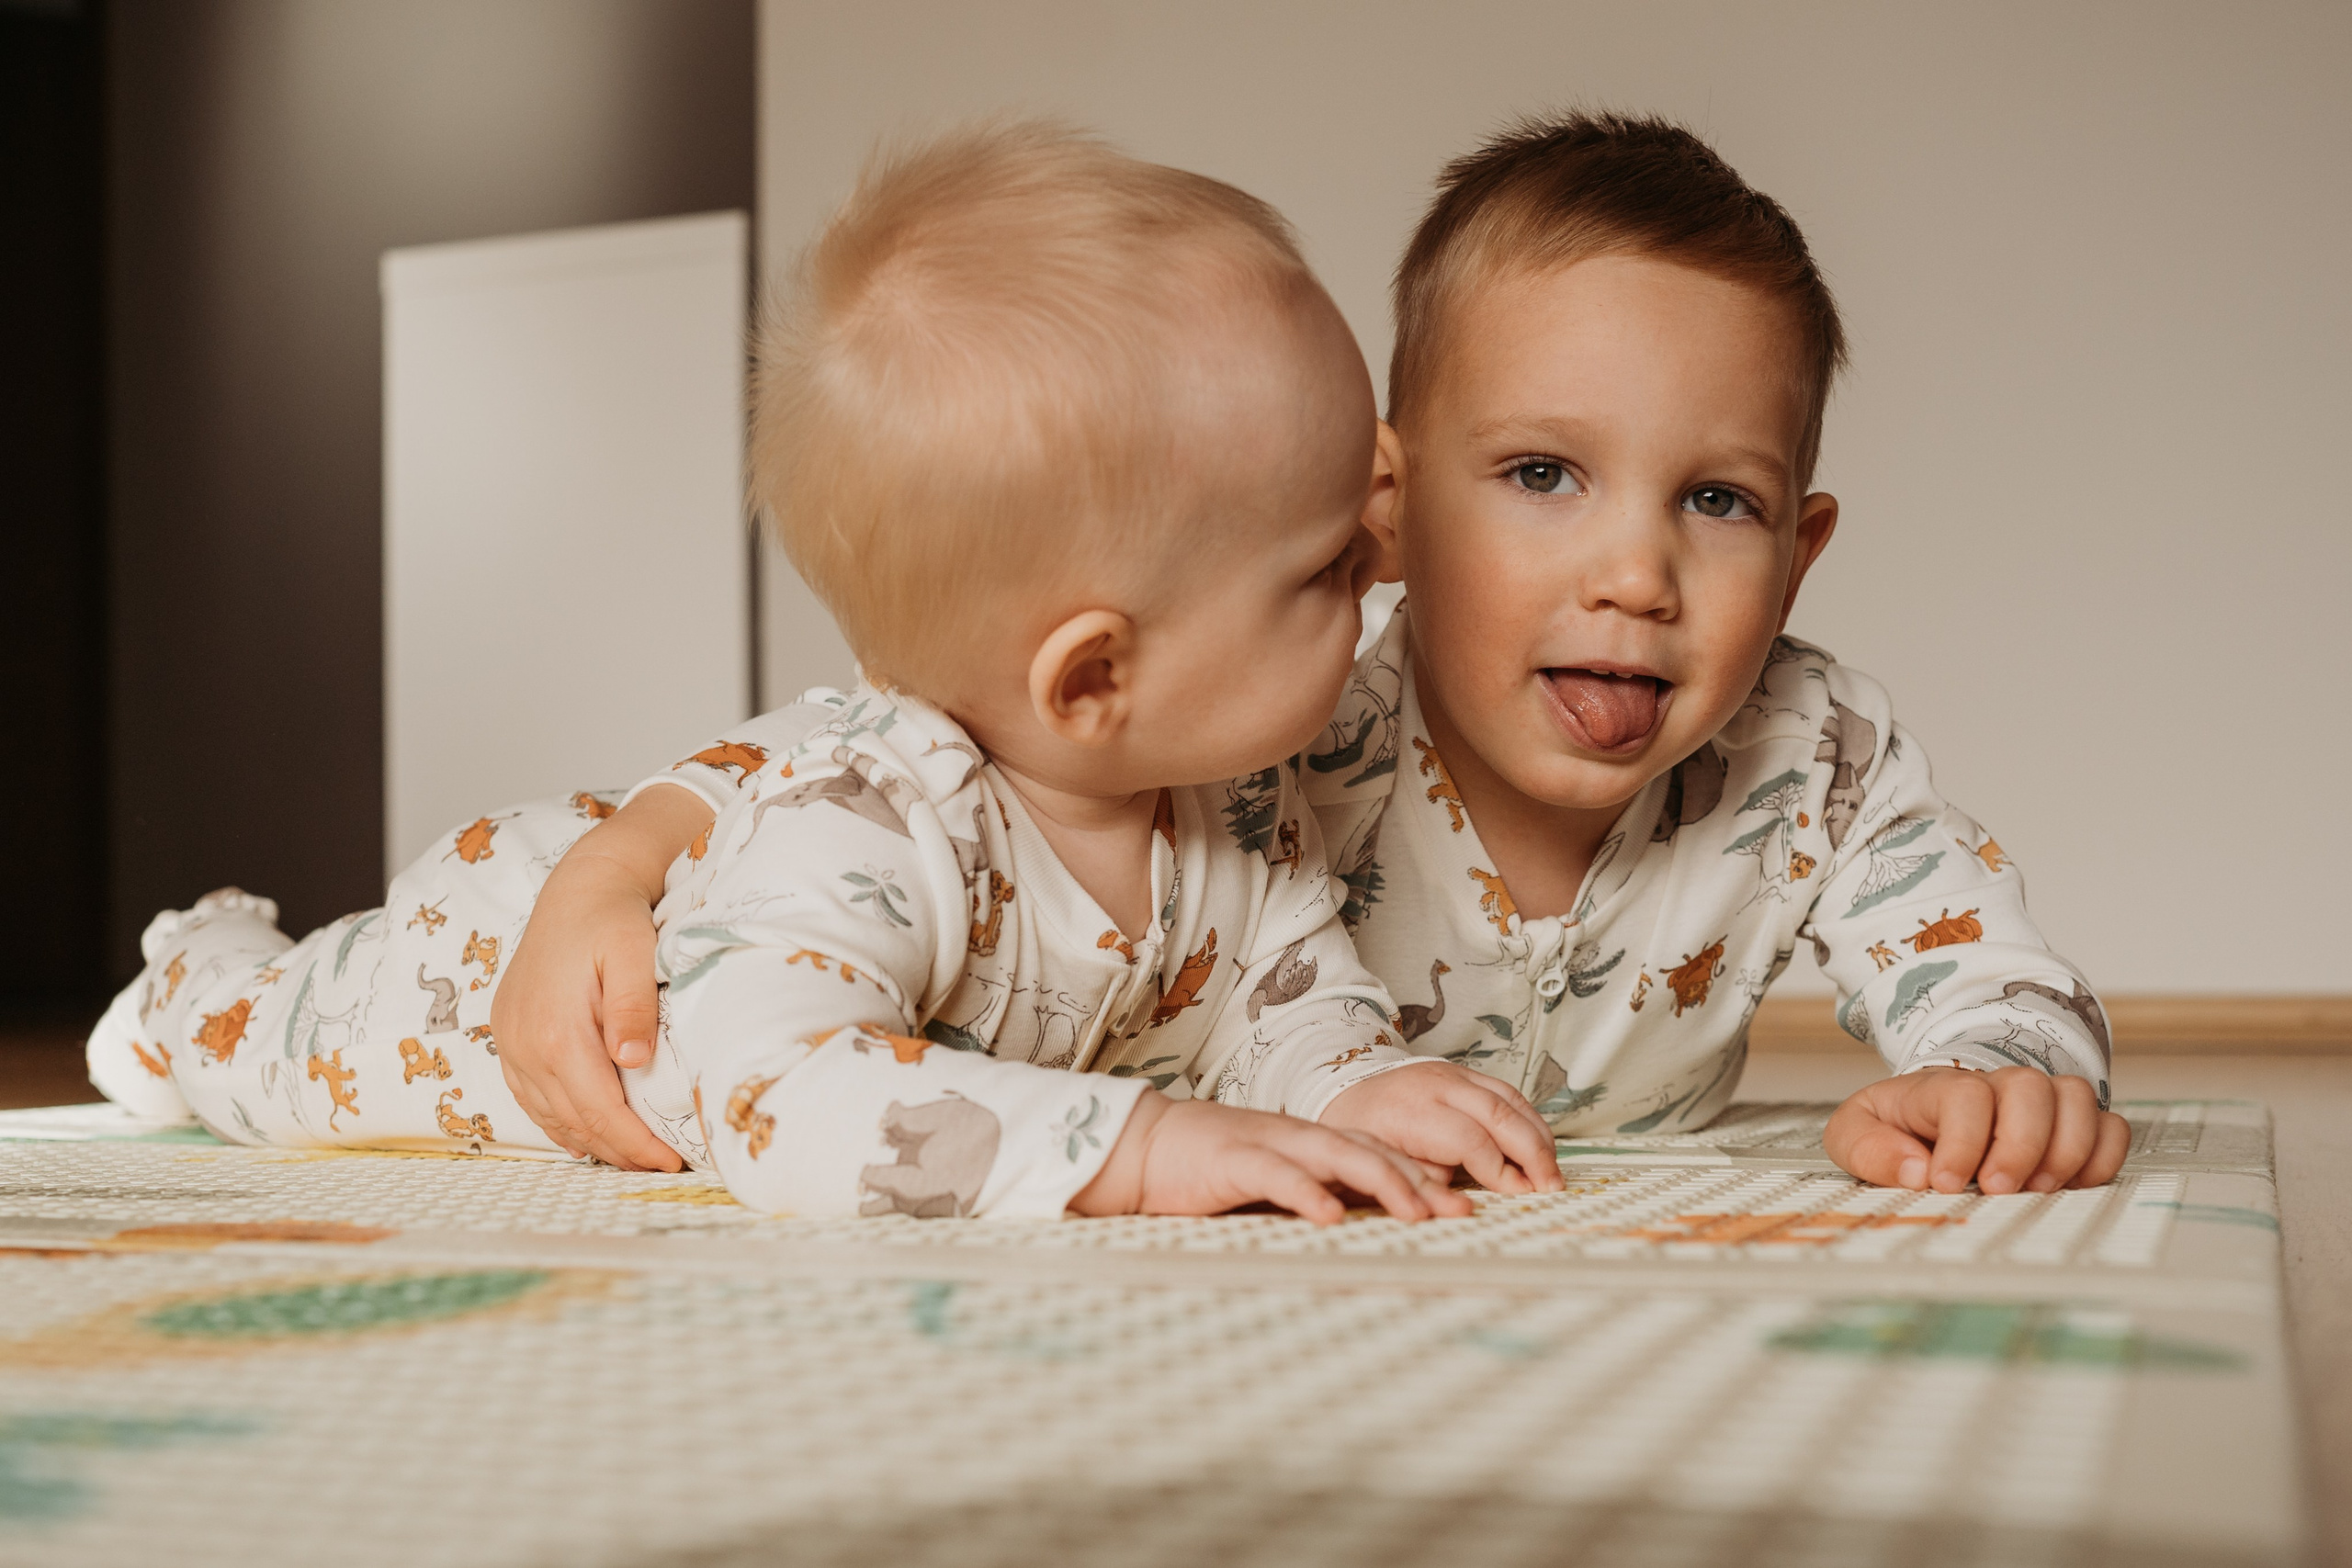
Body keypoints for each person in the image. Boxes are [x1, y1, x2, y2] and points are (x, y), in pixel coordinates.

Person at [500, 113, 2128, 1198]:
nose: (1636, 575)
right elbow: (905, 752)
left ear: (1800, 551)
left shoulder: (1812, 751)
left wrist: (1996, 1075)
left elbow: (1988, 962)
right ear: (1387, 505)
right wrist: (624, 857)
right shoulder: (1277, 705)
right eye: (1543, 474)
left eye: (1719, 501)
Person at [85, 123, 1563, 1224]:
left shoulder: (1234, 799)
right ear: (1092, 679)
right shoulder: (867, 827)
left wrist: (1358, 1086)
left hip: (691, 846)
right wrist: (1140, 1149)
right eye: (1325, 565)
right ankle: (189, 972)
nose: (1382, 557)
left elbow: (1286, 1000)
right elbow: (783, 1100)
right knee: (260, 1054)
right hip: (469, 980)